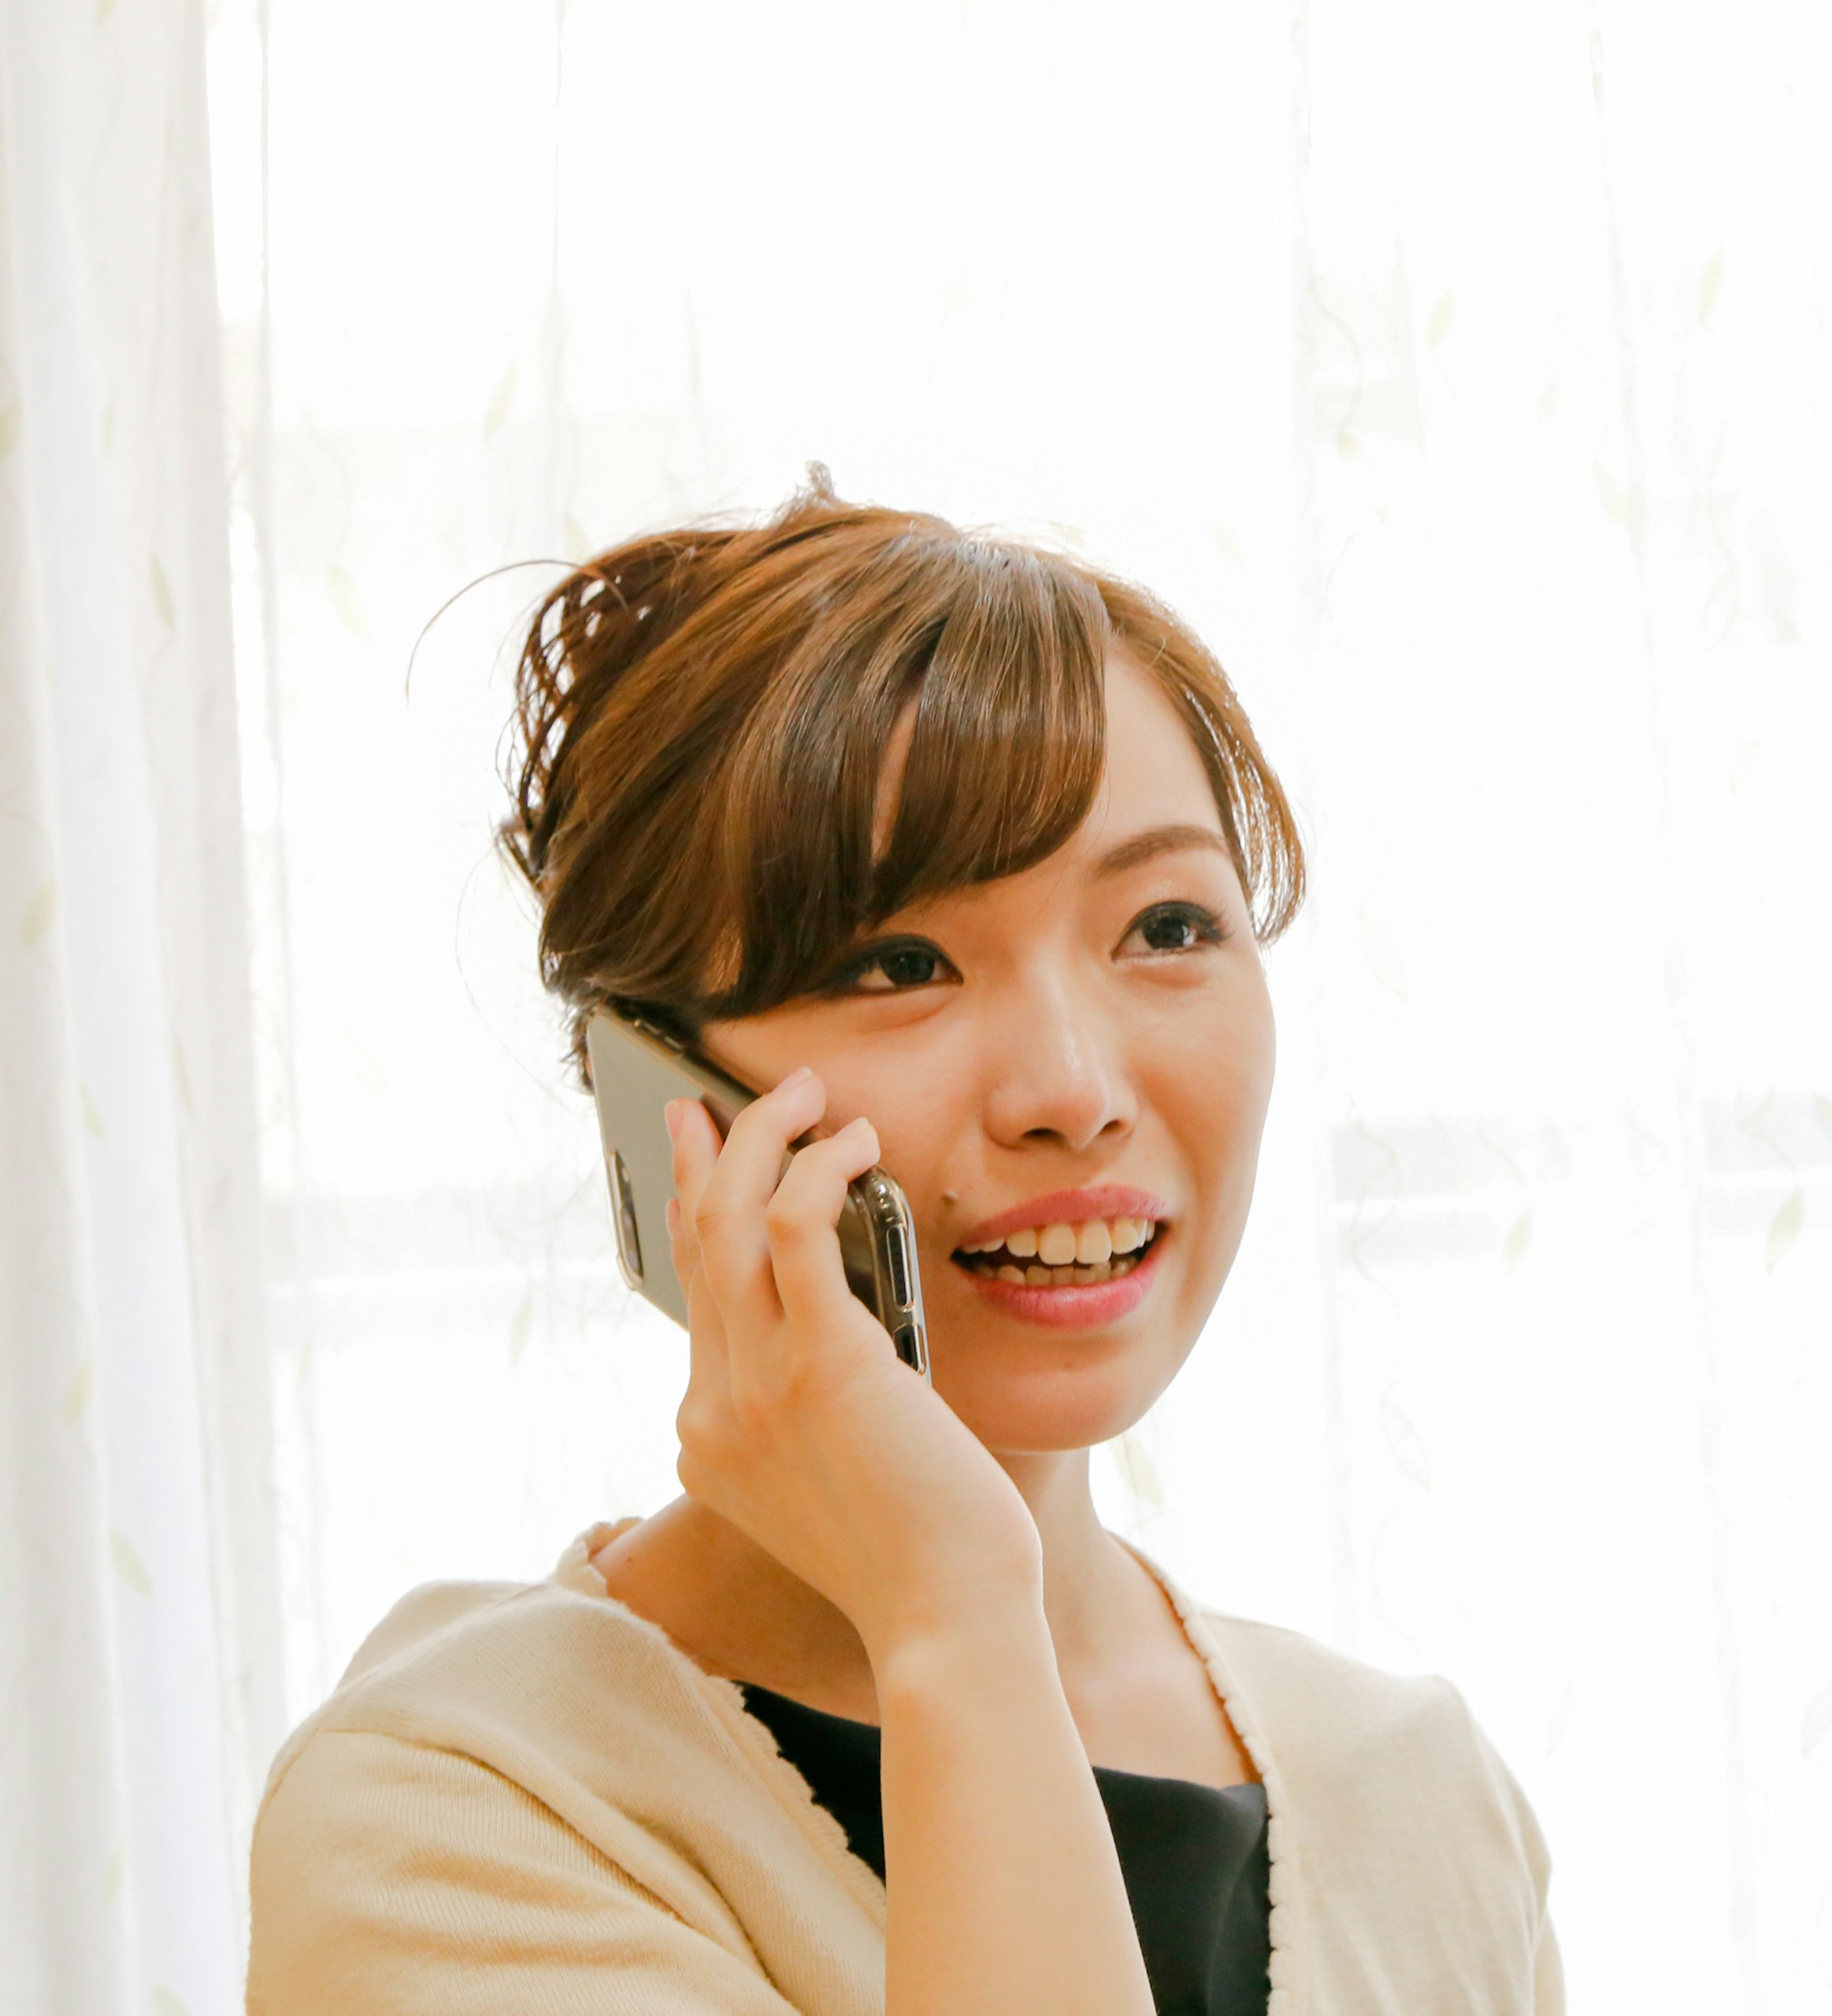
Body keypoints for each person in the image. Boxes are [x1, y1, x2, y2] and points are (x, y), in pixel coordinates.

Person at [244, 474, 1562, 2015]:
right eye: (900, 959)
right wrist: (950, 1622)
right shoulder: (460, 1809)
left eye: (1167, 925)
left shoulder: (1423, 1799)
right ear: (653, 1083)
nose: (1073, 1089)